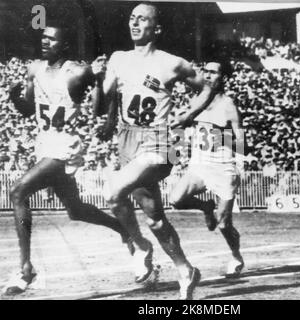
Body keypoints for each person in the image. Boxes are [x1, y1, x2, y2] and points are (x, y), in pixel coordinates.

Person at [92, 2, 213, 300]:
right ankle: (185, 269)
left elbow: (208, 88)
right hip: (127, 140)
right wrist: (97, 78)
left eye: (142, 19)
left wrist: (187, 115)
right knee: (154, 217)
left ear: (156, 28)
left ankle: (141, 247)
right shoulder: (118, 59)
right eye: (132, 18)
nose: (134, 23)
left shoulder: (172, 63)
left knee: (112, 192)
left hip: (161, 142)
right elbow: (98, 106)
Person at [3, 21, 134, 296]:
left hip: (65, 147)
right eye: (44, 38)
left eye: (52, 39)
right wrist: (15, 98)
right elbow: (28, 110)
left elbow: (106, 98)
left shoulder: (77, 71)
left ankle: (26, 269)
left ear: (64, 45)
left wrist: (110, 118)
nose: (45, 42)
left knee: (18, 192)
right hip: (45, 144)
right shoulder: (34, 69)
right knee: (76, 210)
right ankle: (122, 228)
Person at [169, 59, 245, 277]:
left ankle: (236, 256)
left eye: (214, 72)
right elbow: (179, 130)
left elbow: (238, 139)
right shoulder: (195, 101)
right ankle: (205, 207)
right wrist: (173, 162)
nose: (209, 76)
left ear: (223, 78)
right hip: (200, 165)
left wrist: (240, 167)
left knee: (223, 224)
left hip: (222, 167)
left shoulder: (229, 105)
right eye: (206, 72)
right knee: (175, 199)